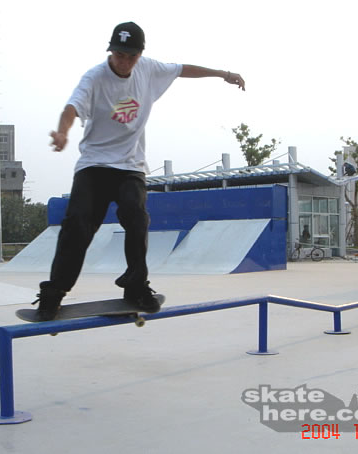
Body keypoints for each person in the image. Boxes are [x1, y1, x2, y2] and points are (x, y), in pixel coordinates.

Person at [34, 21, 246, 321]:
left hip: (130, 166)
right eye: (118, 55)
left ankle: (135, 287)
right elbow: (71, 108)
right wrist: (62, 132)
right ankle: (53, 293)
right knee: (77, 224)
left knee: (136, 217)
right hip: (94, 165)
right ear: (110, 52)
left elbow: (183, 69)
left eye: (130, 57)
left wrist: (223, 74)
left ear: (140, 55)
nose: (124, 62)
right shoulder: (94, 77)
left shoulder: (149, 69)